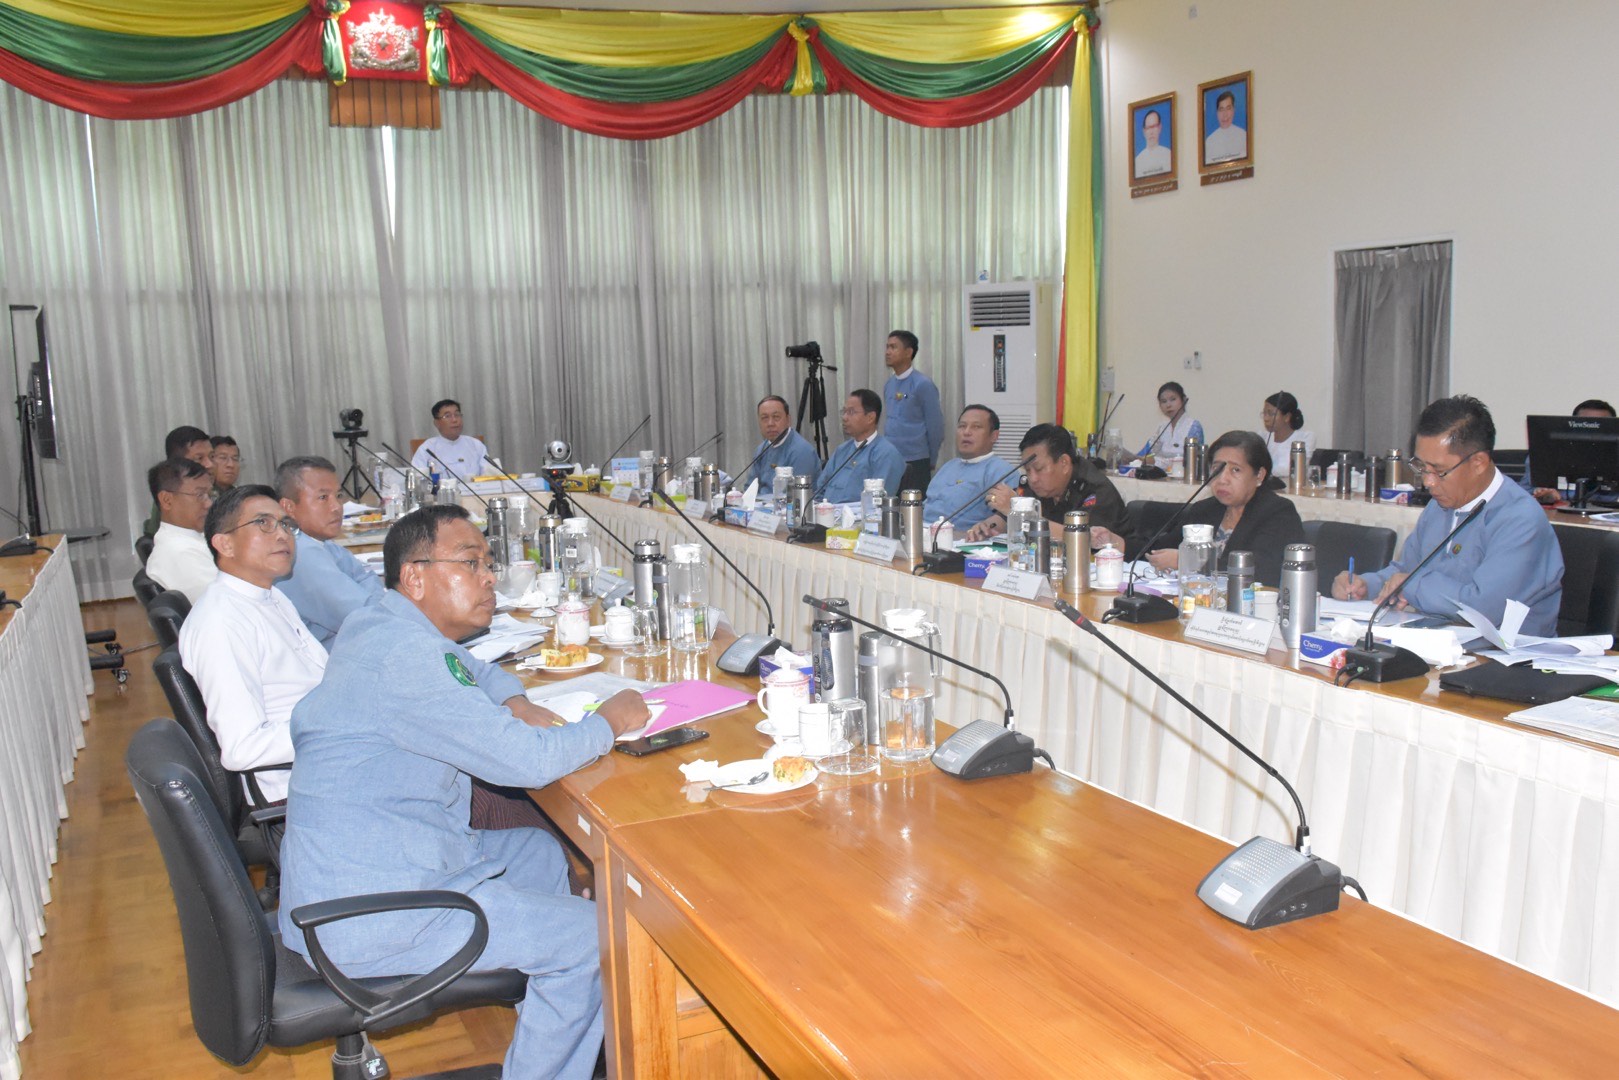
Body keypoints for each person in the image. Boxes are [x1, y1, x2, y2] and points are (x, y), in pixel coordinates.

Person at [279, 504, 649, 1078]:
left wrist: (515, 698)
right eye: (470, 562)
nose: (489, 577)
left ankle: (557, 1012)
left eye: (487, 562)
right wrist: (611, 720)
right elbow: (525, 763)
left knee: (536, 850)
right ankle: (558, 1028)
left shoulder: (382, 620)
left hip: (376, 867)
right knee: (590, 940)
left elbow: (467, 669)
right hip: (374, 914)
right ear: (415, 577)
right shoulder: (404, 658)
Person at [1331, 395, 1564, 635]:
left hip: (1505, 657)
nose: (1428, 482)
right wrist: (1366, 585)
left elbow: (1484, 609)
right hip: (1439, 640)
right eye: (1421, 467)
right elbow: (1407, 569)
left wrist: (1411, 585)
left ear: (1478, 463)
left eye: (1439, 471)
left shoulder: (1519, 518)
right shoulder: (1440, 505)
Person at [179, 485, 321, 805]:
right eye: (263, 523)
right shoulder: (221, 623)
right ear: (224, 543)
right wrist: (340, 723)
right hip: (298, 792)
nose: (283, 534)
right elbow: (243, 748)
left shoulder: (268, 594)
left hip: (325, 761)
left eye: (286, 524)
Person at [1134, 431, 1304, 586]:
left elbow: (1262, 571)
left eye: (1235, 470)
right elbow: (1161, 548)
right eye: (1217, 468)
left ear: (1259, 475)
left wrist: (1188, 561)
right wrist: (1121, 544)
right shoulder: (1205, 509)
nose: (1223, 479)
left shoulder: (1278, 512)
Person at [274, 455, 384, 647]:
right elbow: (366, 617)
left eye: (338, 496)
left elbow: (365, 577)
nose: (336, 507)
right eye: (323, 497)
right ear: (289, 507)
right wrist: (373, 597)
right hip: (332, 661)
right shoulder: (300, 553)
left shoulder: (319, 541)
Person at [969, 424, 1137, 547]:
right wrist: (989, 526)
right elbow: (1005, 517)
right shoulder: (1037, 485)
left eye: (1039, 469)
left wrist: (1019, 512)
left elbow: (1082, 539)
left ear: (1064, 463)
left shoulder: (1096, 489)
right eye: (1027, 470)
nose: (1033, 478)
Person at [145, 457, 218, 603]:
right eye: (200, 495)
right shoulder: (179, 552)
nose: (209, 504)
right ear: (167, 500)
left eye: (210, 495)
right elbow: (224, 602)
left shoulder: (191, 539)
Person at [922, 405, 1005, 533]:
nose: (966, 432)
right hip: (922, 533)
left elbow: (1006, 517)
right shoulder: (948, 465)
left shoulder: (1000, 470)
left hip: (959, 540)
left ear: (994, 436)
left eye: (976, 427)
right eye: (962, 426)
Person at [881, 330, 946, 492]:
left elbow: (935, 426)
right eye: (887, 347)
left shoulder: (923, 384)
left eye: (893, 347)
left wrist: (931, 457)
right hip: (892, 458)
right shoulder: (889, 385)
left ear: (908, 352)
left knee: (914, 510)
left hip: (916, 459)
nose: (887, 352)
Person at [816, 390, 907, 504]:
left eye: (851, 412)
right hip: (826, 515)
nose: (844, 417)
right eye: (844, 412)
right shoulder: (841, 450)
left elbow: (878, 503)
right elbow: (819, 490)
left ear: (870, 417)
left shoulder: (886, 454)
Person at [1519, 399, 1616, 503]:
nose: (1592, 432)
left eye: (1600, 426)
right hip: (1555, 515)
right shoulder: (1545, 454)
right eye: (1585, 424)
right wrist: (1546, 496)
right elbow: (1523, 494)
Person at [739, 395, 822, 496]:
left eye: (776, 417)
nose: (770, 423)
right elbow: (750, 489)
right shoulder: (761, 449)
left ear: (788, 420)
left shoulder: (802, 451)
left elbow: (796, 496)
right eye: (764, 418)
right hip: (762, 507)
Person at [142, 425, 213, 537]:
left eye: (211, 456)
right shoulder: (172, 500)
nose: (209, 464)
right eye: (199, 458)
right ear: (178, 463)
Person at [411, 398, 492, 480]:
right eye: (447, 416)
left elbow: (489, 475)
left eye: (457, 415)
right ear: (436, 423)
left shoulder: (476, 445)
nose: (454, 420)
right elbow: (417, 478)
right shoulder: (427, 448)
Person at [1139, 381, 1204, 464]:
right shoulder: (1162, 427)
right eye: (1164, 401)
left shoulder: (1193, 426)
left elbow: (1192, 461)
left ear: (1183, 400)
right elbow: (1145, 453)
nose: (1168, 405)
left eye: (1173, 399)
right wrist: (1130, 458)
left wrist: (1156, 461)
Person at [1261, 391, 1315, 479]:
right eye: (1264, 414)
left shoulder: (1305, 438)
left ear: (1287, 417)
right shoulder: (1262, 437)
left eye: (1271, 414)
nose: (1266, 419)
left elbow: (1293, 470)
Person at [1205, 89, 1247, 163]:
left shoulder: (1243, 135)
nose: (1225, 114)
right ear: (1217, 113)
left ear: (1233, 110)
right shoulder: (1209, 141)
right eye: (1221, 109)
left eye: (1228, 108)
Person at [1135, 108, 1171, 177]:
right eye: (1148, 128)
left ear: (1160, 128)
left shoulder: (1168, 155)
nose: (1151, 132)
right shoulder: (1138, 161)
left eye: (1154, 126)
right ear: (1144, 131)